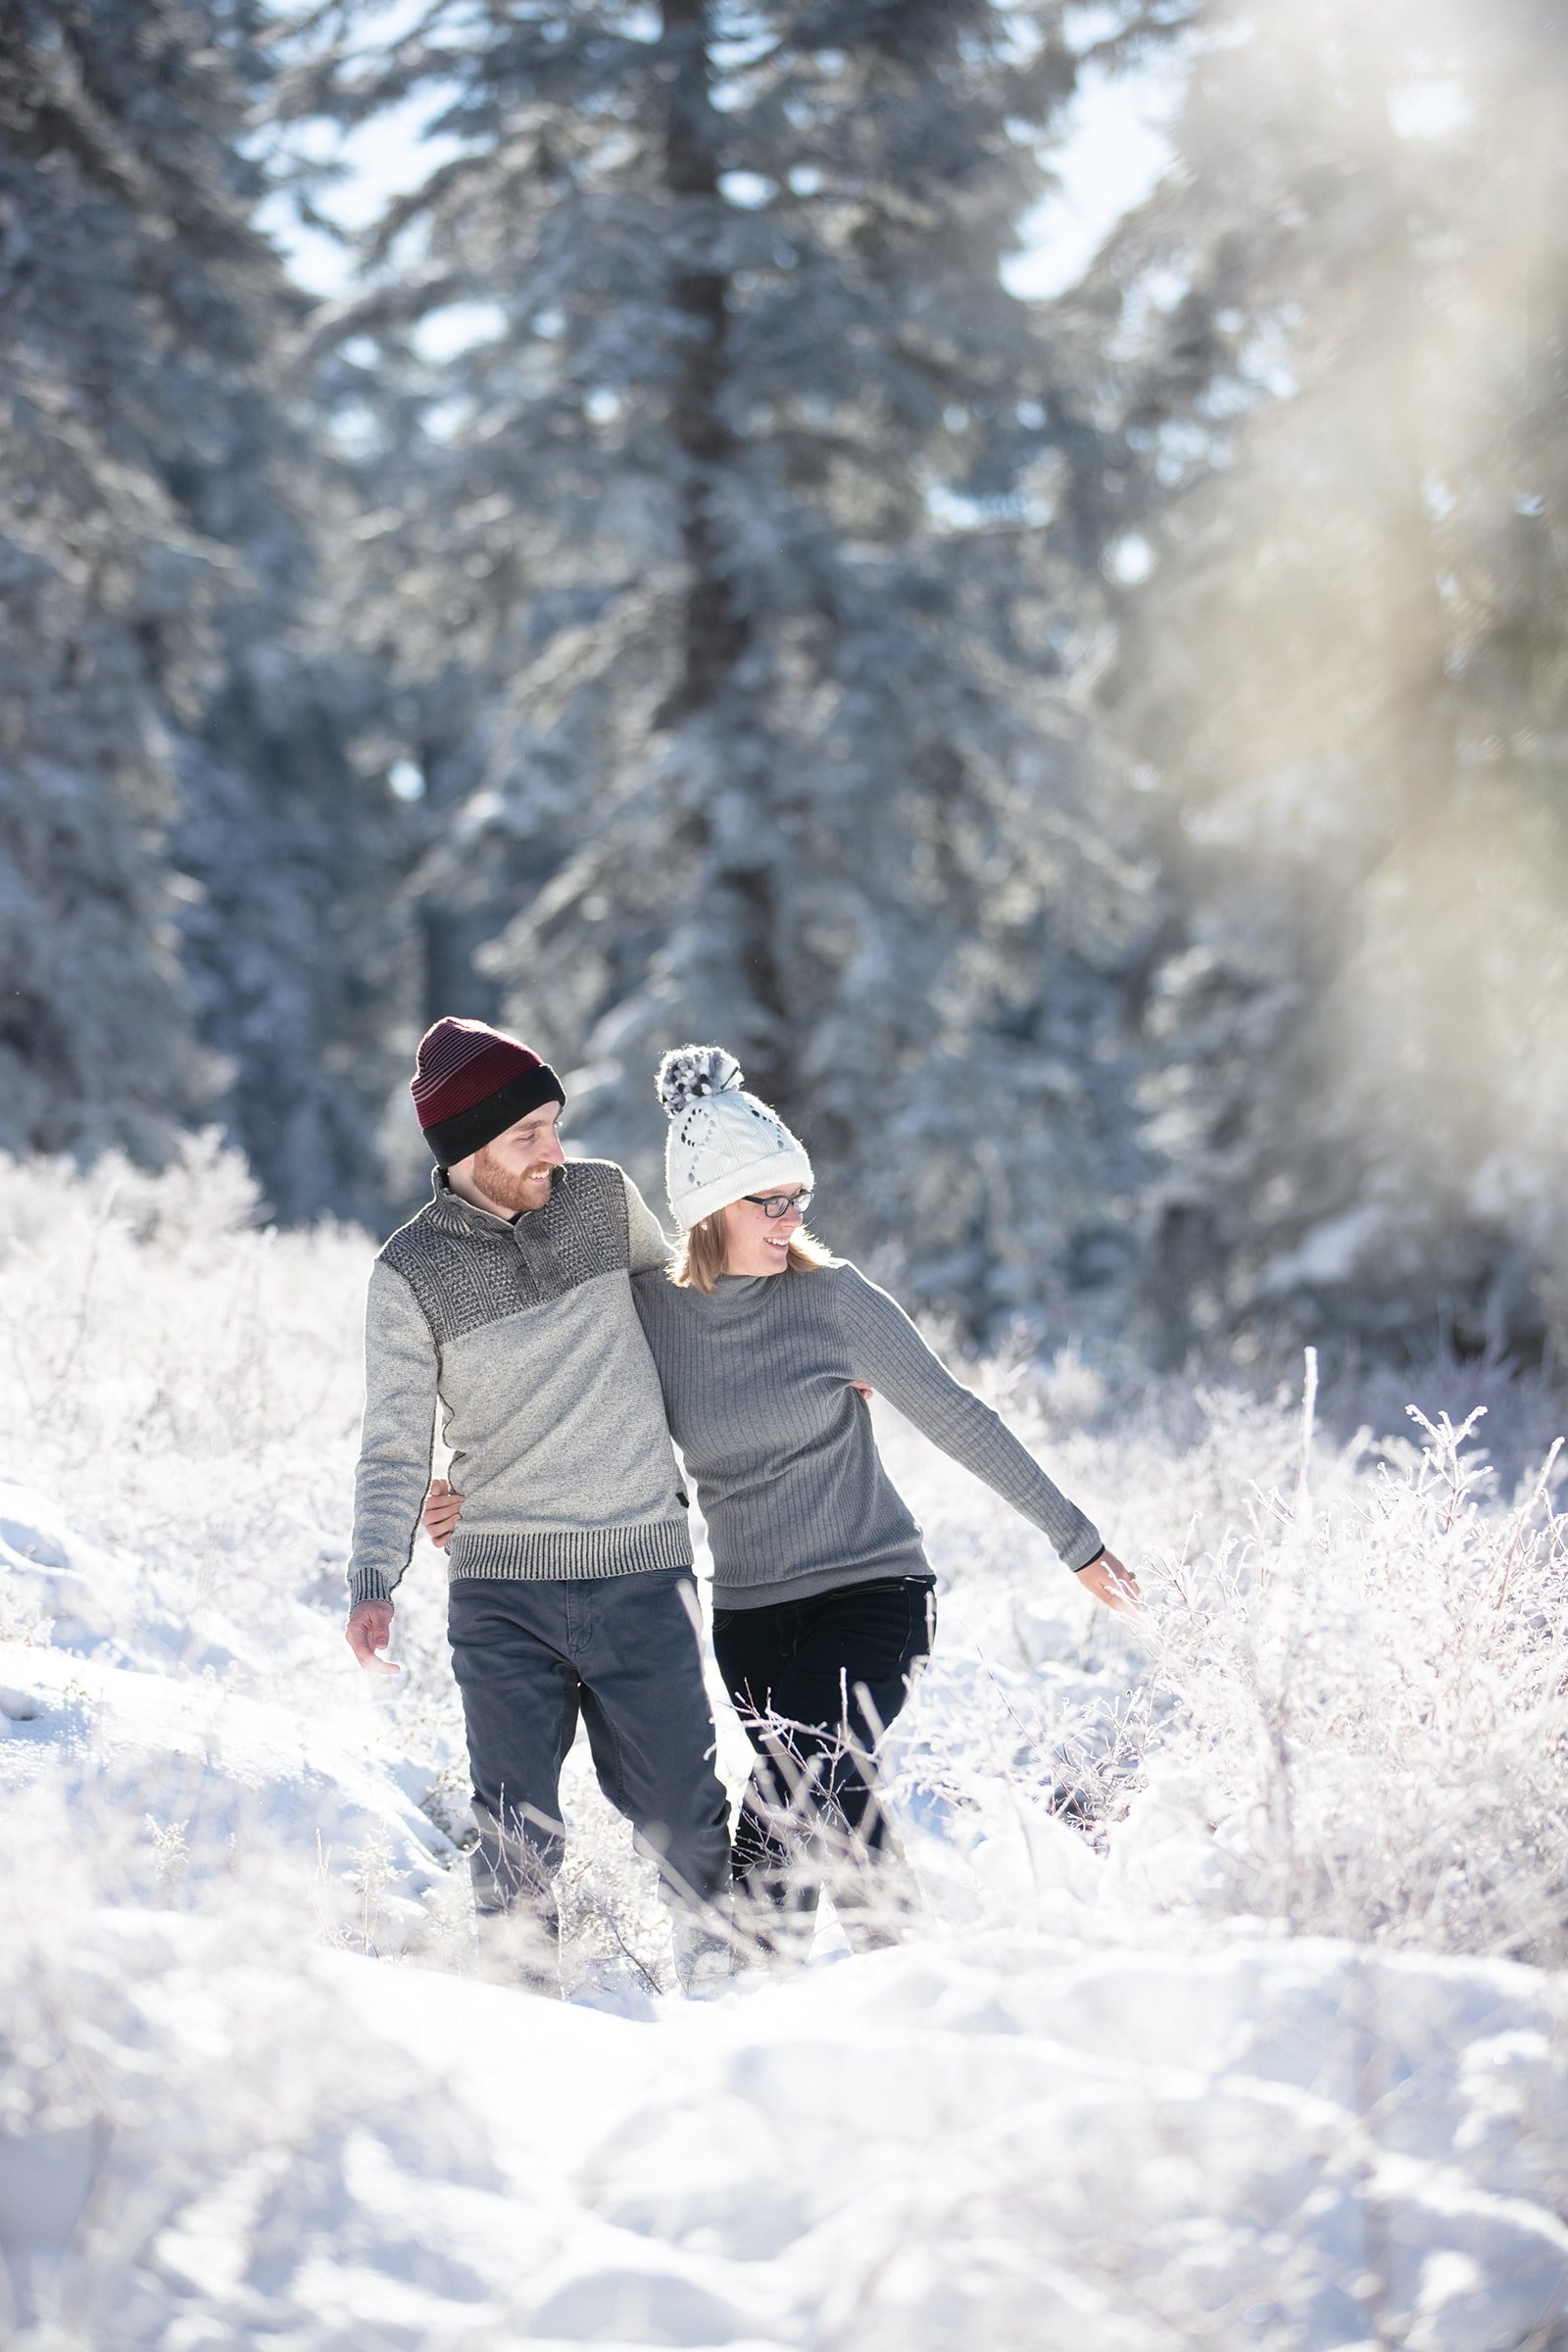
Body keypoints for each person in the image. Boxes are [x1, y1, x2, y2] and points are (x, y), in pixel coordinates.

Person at [426, 1043, 1136, 1955]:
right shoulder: (652, 1312)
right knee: (813, 1800)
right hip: (750, 1619)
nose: (791, 1215)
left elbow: (959, 1417)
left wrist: (1075, 1541)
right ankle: (820, 1988)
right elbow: (554, 1394)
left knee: (802, 1766)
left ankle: (832, 1973)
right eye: (769, 1200)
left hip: (873, 1592)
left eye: (798, 1195)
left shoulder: (836, 1302)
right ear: (710, 1209)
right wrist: (464, 1489)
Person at [345, 1016, 730, 1993]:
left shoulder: (603, 1201)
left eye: (555, 1123)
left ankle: (732, 2013)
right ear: (465, 1146)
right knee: (514, 1841)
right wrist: (374, 1577)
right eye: (529, 1135)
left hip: (644, 1568)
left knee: (687, 1817)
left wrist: (799, 1368)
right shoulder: (410, 1274)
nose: (555, 1151)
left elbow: (685, 1320)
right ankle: (523, 2030)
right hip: (503, 1592)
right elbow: (396, 1440)